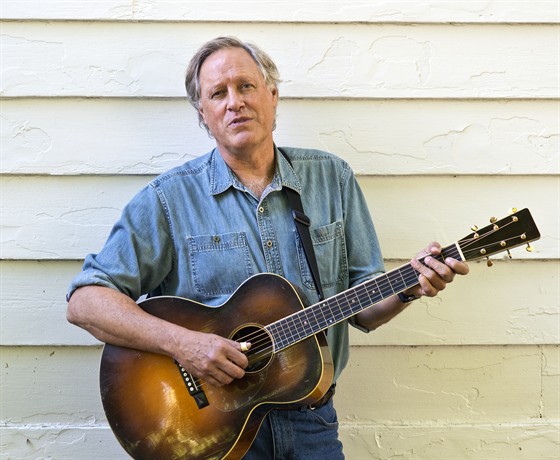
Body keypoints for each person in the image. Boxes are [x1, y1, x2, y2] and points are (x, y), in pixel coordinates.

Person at [66, 36, 469, 459]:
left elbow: (362, 307)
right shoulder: (168, 200)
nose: (234, 102)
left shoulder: (332, 179)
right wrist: (186, 344)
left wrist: (409, 288)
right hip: (213, 433)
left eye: (245, 86)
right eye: (217, 94)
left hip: (313, 423)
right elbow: (85, 303)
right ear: (203, 114)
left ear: (272, 96)